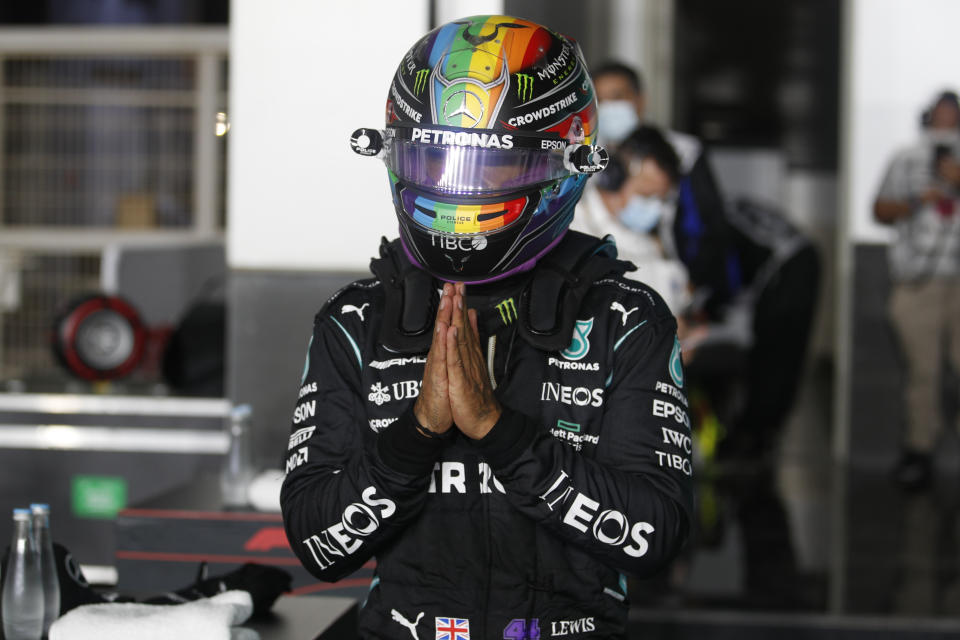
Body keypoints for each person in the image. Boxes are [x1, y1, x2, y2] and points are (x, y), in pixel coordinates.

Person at [280, 15, 693, 639]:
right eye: (435, 159)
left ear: (568, 162)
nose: (459, 190)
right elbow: (319, 547)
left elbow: (654, 538)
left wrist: (499, 434)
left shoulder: (624, 319)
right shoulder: (357, 320)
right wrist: (418, 435)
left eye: (493, 168)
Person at [874, 90, 960, 490]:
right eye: (939, 115)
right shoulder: (906, 159)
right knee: (922, 372)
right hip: (918, 281)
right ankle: (919, 451)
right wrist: (915, 200)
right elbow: (879, 210)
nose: (946, 121)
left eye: (953, 115)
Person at [572, 124, 692, 317]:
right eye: (647, 195)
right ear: (614, 177)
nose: (656, 208)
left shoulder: (650, 242)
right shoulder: (572, 224)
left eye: (660, 199)